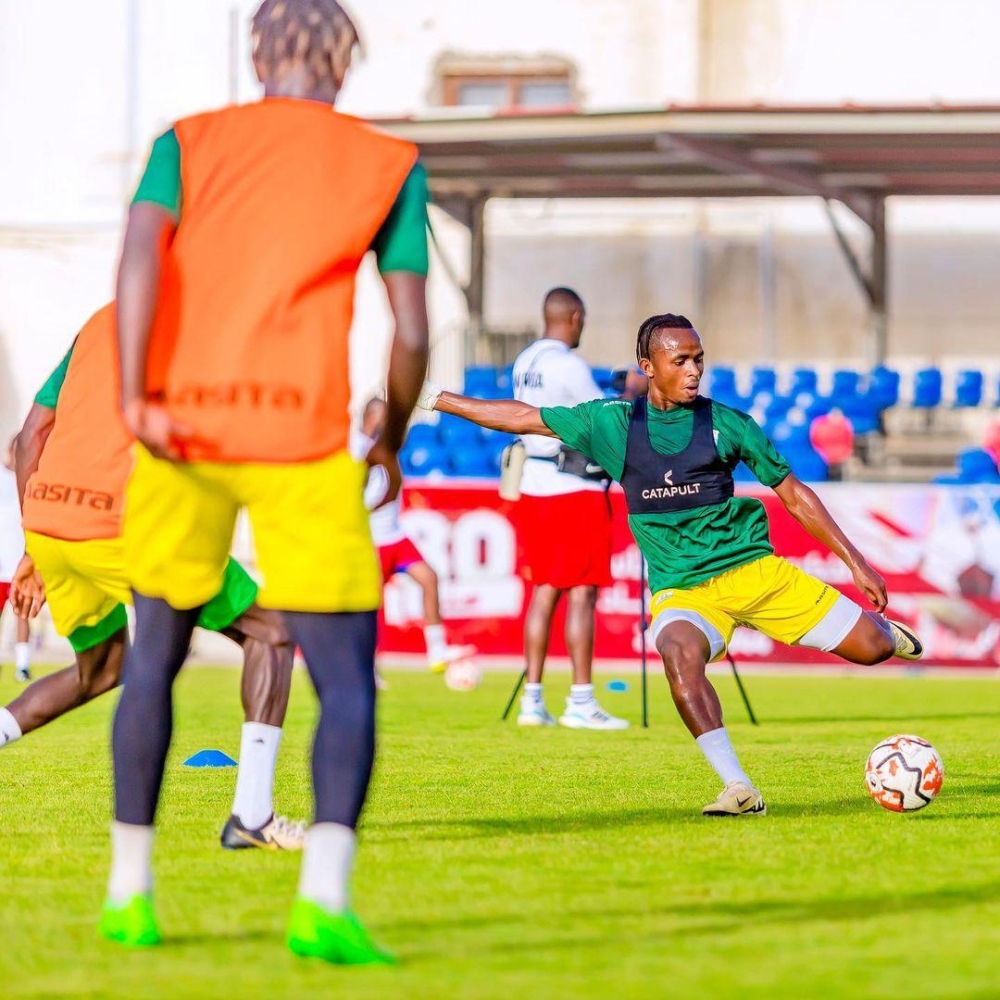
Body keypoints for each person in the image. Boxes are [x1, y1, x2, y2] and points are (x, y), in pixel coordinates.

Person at [106, 0, 429, 963]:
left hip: (181, 435)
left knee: (152, 661)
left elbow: (136, 264)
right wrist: (393, 438)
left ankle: (131, 895)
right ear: (347, 58)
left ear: (257, 49)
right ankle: (322, 904)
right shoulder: (390, 164)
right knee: (345, 680)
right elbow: (410, 332)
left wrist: (134, 401)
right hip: (300, 443)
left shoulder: (186, 142)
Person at [418, 312, 923, 817]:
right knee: (678, 652)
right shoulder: (610, 422)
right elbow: (521, 417)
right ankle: (739, 787)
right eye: (679, 360)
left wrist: (858, 564)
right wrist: (435, 397)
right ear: (648, 365)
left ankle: (885, 633)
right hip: (683, 590)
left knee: (871, 650)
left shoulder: (728, 424)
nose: (693, 370)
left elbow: (793, 494)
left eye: (698, 359)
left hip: (755, 574)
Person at [3, 305, 302, 854]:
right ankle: (252, 816)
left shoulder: (97, 323)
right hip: (126, 524)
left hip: (48, 523)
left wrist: (33, 544)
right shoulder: (205, 323)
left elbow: (27, 440)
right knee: (273, 632)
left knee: (100, 669)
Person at [509, 287, 626, 731]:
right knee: (582, 591)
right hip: (573, 486)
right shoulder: (569, 364)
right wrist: (629, 392)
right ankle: (580, 699)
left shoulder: (525, 361)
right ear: (575, 317)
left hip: (534, 483)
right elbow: (602, 419)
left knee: (544, 589)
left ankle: (532, 700)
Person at [361, 398, 469, 675]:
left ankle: (437, 651)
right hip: (372, 540)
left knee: (429, 578)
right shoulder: (359, 451)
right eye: (385, 417)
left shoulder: (386, 448)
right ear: (371, 418)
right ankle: (365, 666)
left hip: (396, 536)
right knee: (369, 607)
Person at [0, 439, 32, 681]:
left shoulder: (29, 478)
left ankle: (22, 665)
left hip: (19, 562)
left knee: (22, 614)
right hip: (1, 563)